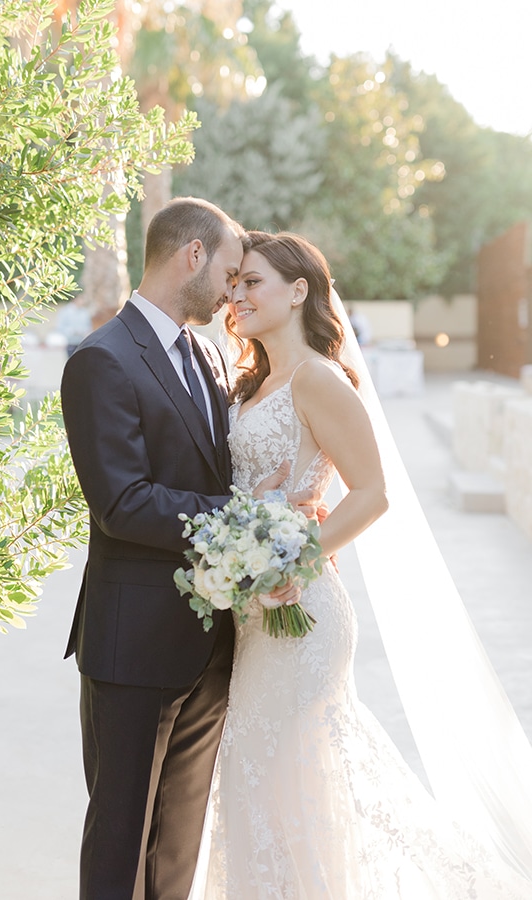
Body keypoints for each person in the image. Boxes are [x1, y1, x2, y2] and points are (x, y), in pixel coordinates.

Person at [188, 231, 532, 898]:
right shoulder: (248, 384)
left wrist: (297, 553)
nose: (237, 294)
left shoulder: (318, 379)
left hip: (303, 616)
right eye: (235, 284)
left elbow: (373, 491)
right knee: (258, 788)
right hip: (255, 619)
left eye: (252, 281)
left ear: (298, 290)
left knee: (288, 785)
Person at [60, 199, 315, 900]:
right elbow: (122, 505)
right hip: (133, 648)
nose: (235, 291)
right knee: (121, 845)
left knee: (178, 848)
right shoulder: (100, 360)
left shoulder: (204, 351)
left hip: (210, 645)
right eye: (231, 273)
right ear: (192, 257)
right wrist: (244, 514)